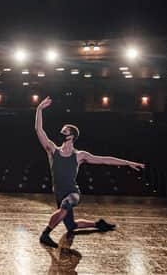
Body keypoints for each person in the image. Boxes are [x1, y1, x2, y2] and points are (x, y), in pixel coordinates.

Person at [34, 96, 145, 248]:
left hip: (73, 192)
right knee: (71, 225)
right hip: (59, 193)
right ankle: (98, 224)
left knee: (67, 204)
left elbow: (105, 159)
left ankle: (45, 234)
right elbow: (39, 130)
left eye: (64, 131)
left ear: (71, 136)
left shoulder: (80, 155)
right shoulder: (52, 150)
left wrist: (127, 163)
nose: (60, 132)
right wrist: (39, 109)